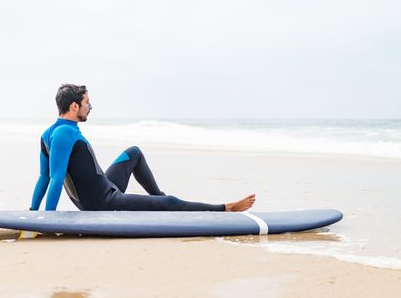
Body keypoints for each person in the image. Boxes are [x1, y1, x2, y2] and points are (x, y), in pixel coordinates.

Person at [30, 84, 256, 212]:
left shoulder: (49, 133)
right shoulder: (63, 134)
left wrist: (33, 212)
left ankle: (158, 200)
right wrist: (48, 218)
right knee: (170, 202)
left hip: (105, 187)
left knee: (134, 152)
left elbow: (42, 177)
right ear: (74, 106)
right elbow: (54, 178)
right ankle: (224, 208)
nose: (90, 107)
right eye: (87, 103)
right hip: (102, 202)